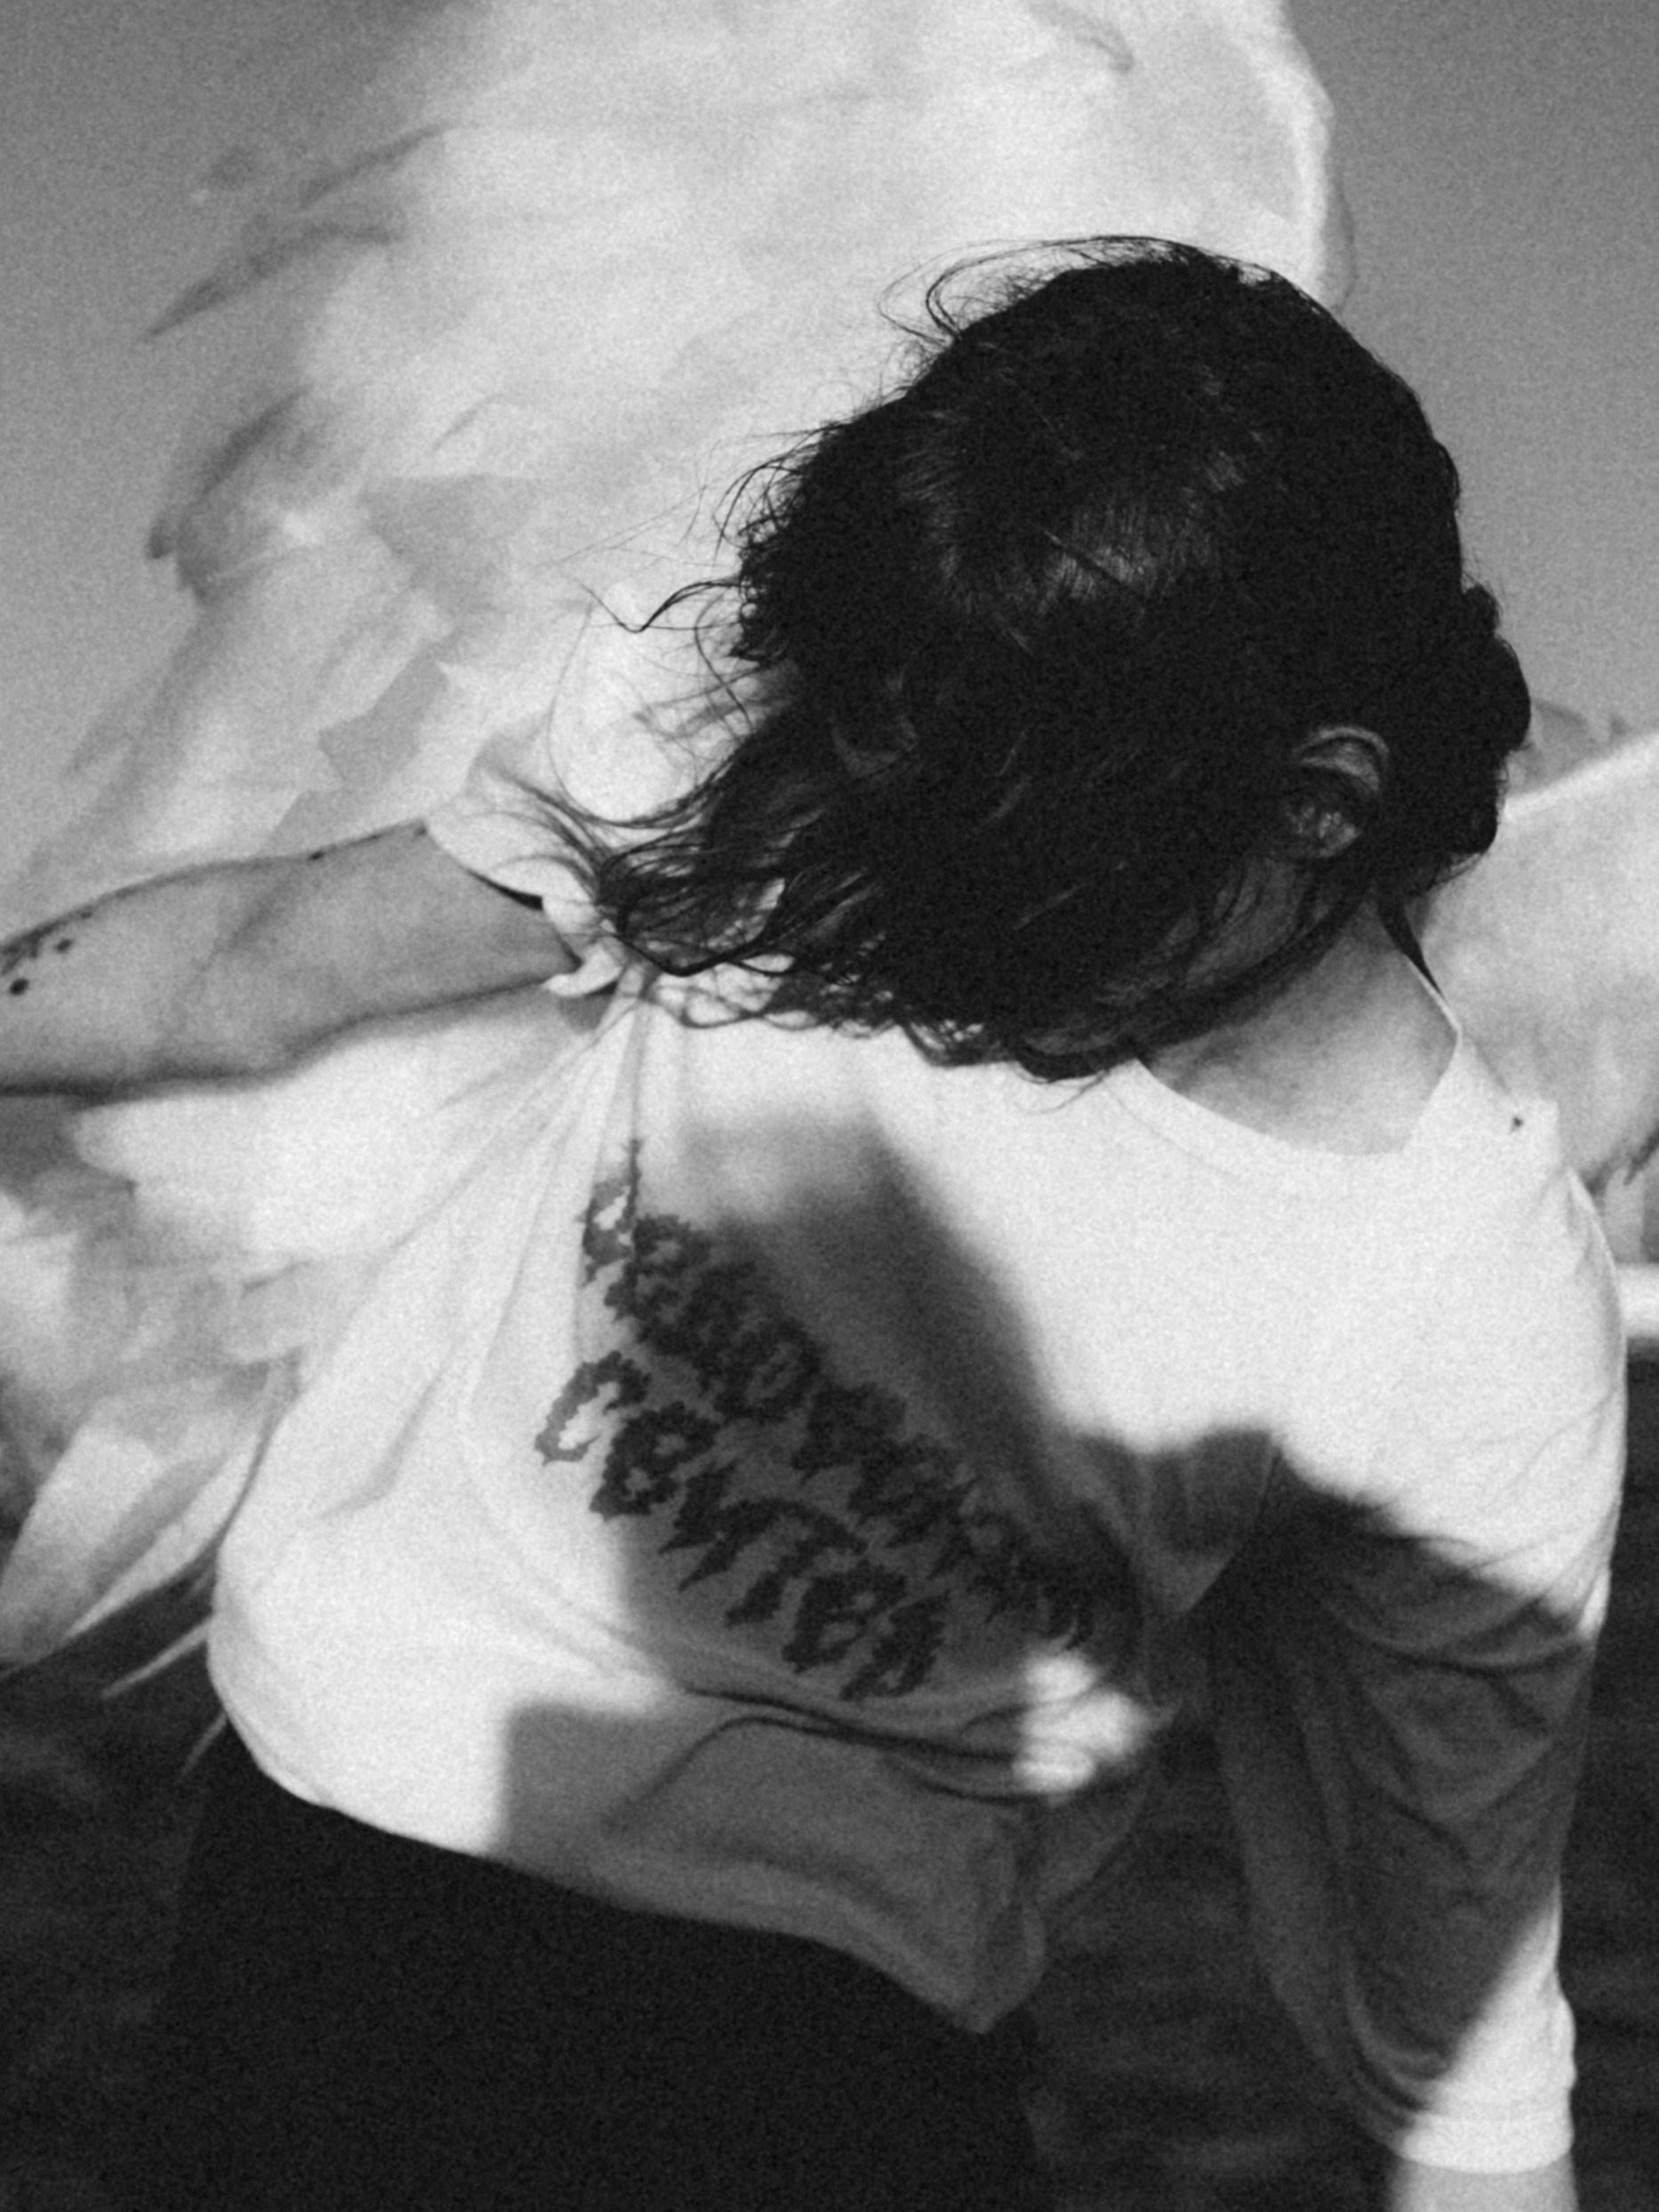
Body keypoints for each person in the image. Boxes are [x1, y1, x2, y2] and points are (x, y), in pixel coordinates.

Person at [0, 239, 1623, 2210]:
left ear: (1319, 802)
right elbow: (252, 968)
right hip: (323, 1911)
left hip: (821, 2072)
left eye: (1022, 861)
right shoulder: (842, 735)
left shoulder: (1459, 1300)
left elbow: (1461, 2054)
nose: (925, 914)